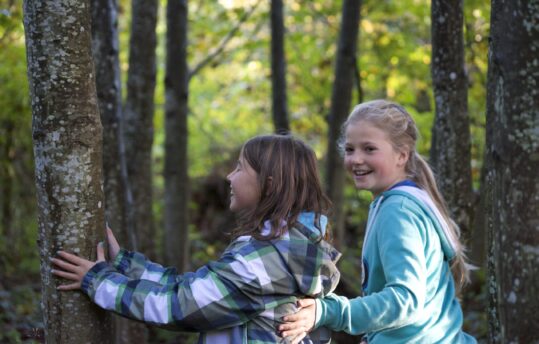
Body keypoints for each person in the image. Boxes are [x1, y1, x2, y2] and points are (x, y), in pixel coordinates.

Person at [51, 134, 341, 344]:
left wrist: (98, 281)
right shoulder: (290, 251)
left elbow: (180, 306)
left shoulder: (263, 262)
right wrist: (125, 264)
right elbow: (196, 288)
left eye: (240, 168)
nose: (229, 176)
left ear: (268, 185)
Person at [280, 100, 477, 343]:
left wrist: (328, 311)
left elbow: (405, 299)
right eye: (350, 149)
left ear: (402, 155)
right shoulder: (399, 202)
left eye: (369, 149)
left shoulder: (398, 211)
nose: (356, 159)